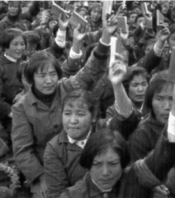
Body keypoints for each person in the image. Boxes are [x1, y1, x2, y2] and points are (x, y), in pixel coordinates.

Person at [11, 14, 116, 198]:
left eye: (53, 74)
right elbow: (22, 151)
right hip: (44, 167)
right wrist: (41, 176)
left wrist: (105, 38)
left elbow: (91, 71)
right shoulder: (21, 107)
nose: (49, 80)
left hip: (80, 159)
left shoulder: (66, 87)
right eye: (42, 76)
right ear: (31, 79)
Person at [60, 69, 175, 198]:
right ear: (88, 164)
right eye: (97, 164)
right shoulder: (72, 195)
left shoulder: (136, 180)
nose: (105, 173)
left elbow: (166, 153)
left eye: (113, 164)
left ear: (123, 164)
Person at [43, 89, 96, 198]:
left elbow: (123, 118)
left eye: (80, 114)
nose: (72, 121)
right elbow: (57, 194)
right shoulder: (54, 149)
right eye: (67, 114)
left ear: (93, 116)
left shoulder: (102, 132)